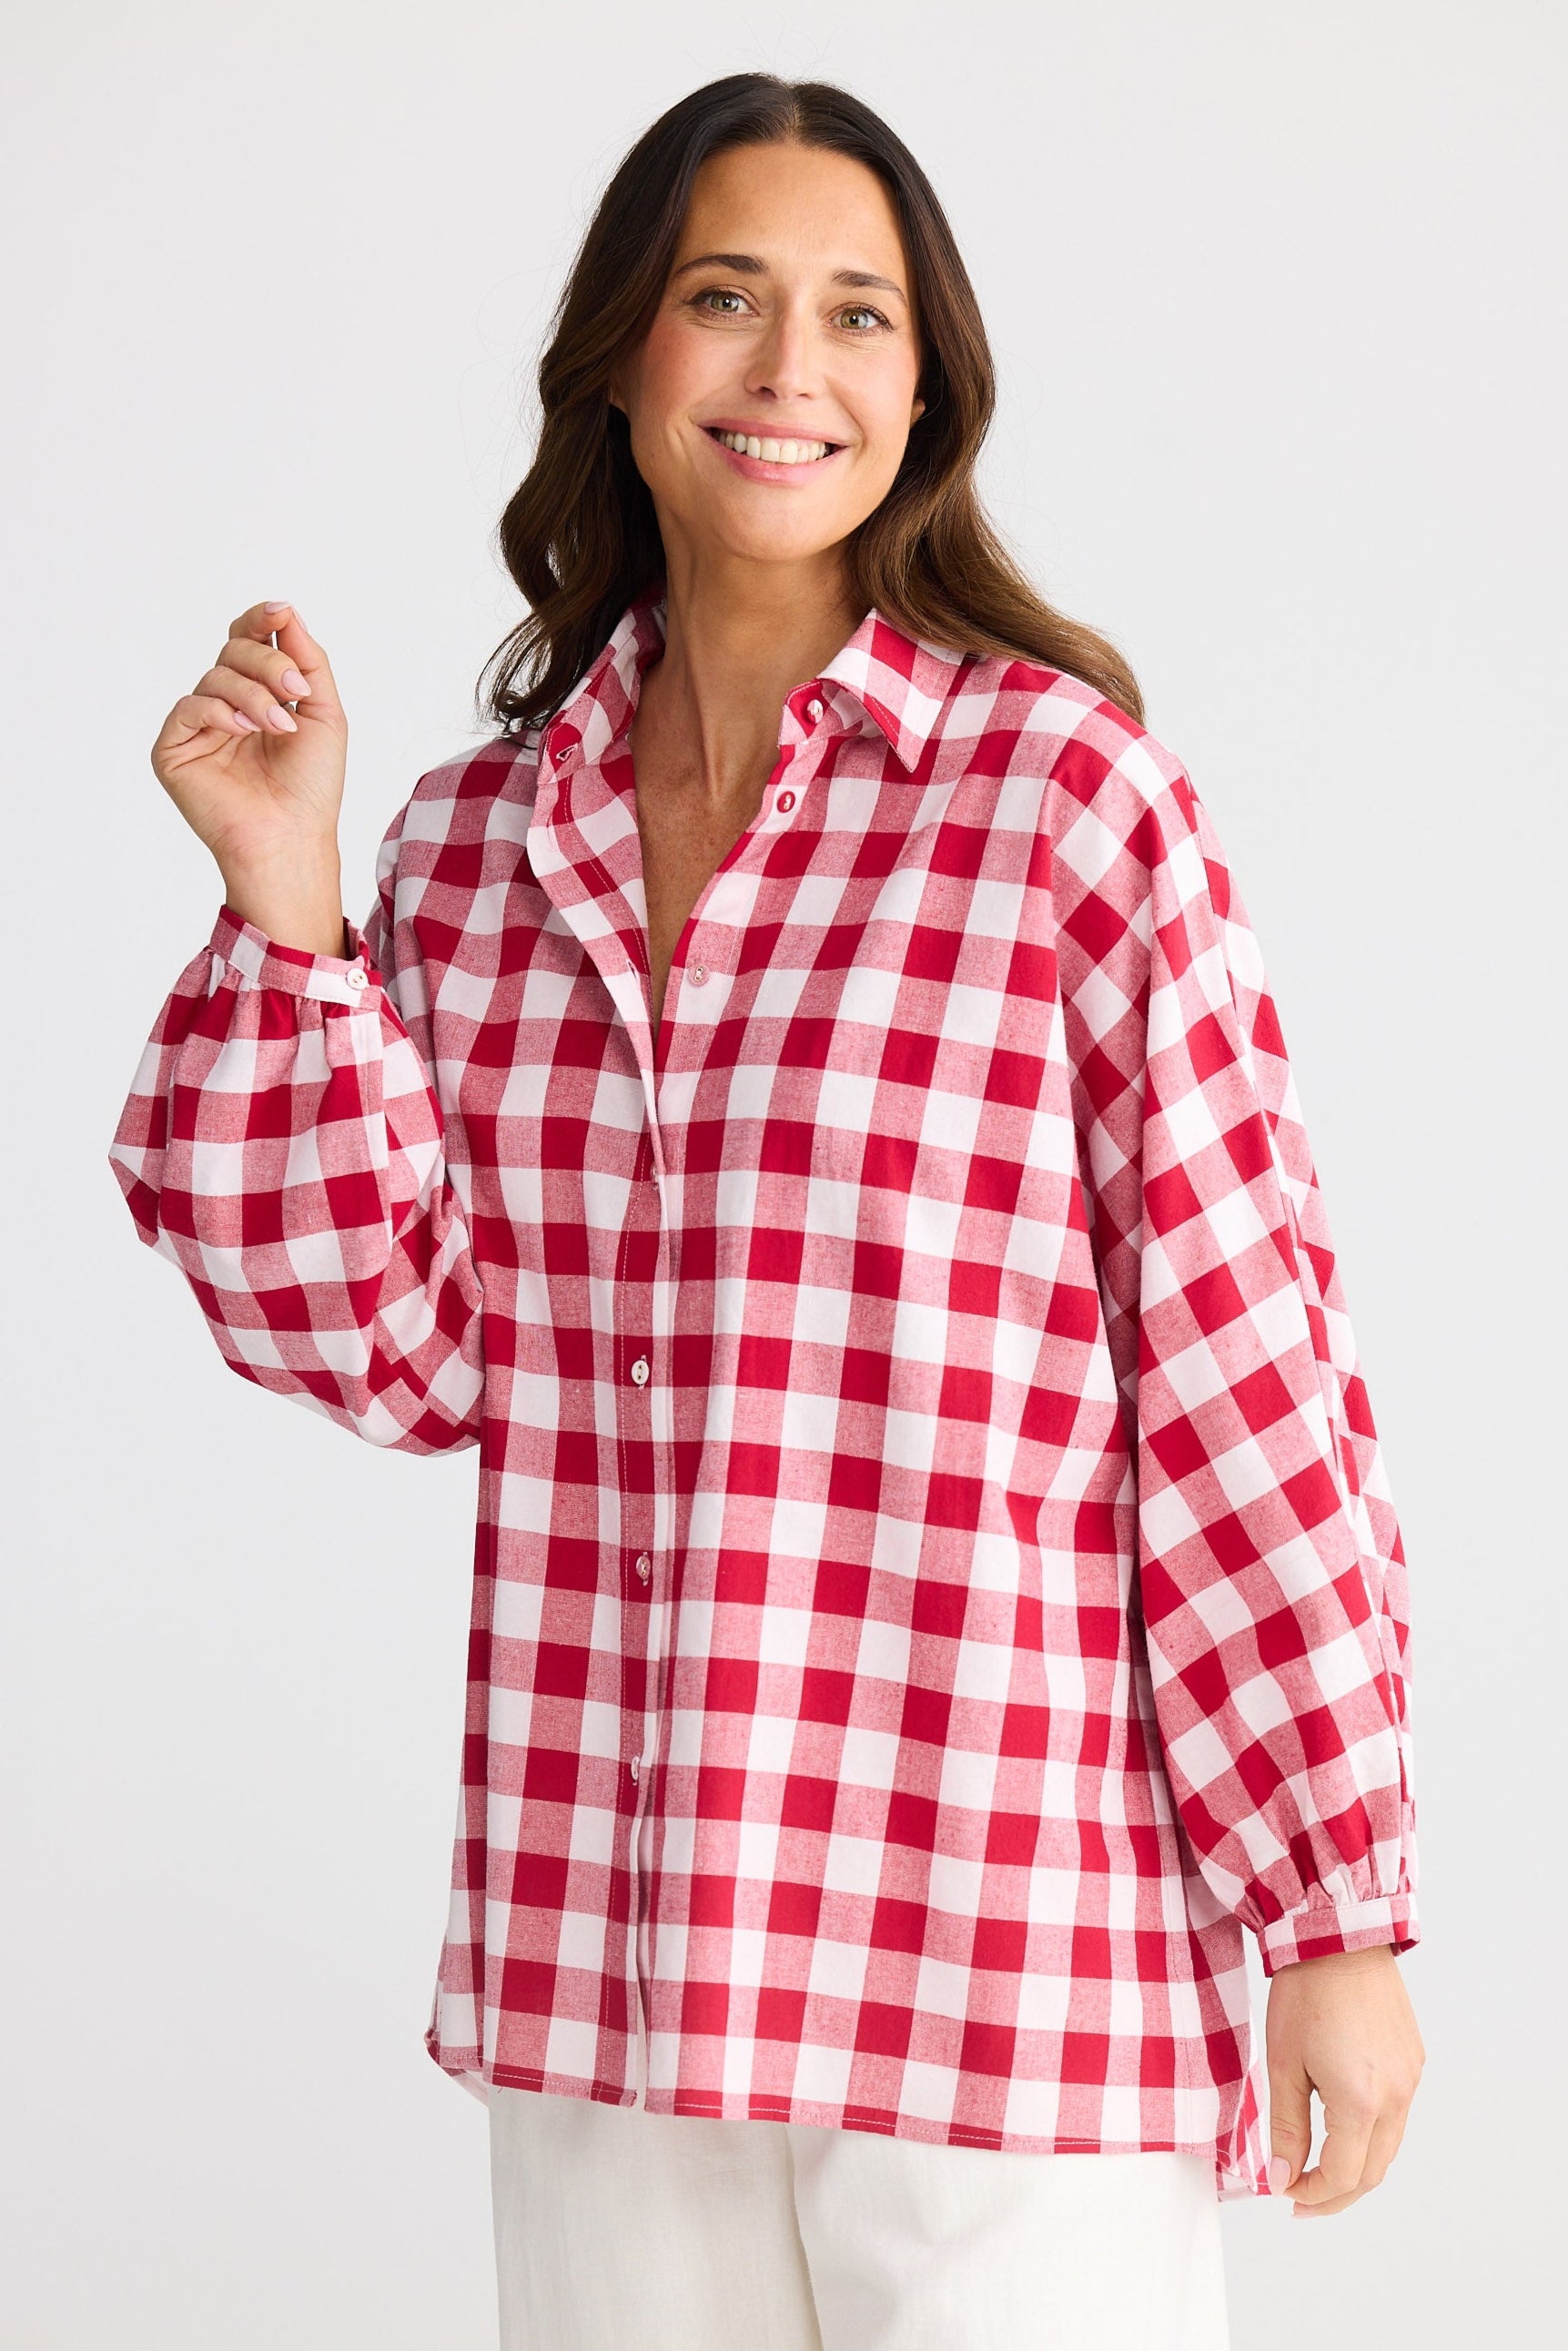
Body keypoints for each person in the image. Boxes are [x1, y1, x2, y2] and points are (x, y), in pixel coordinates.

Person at [107, 70, 1424, 2351]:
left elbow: (1240, 1367)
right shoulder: (471, 848)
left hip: (1004, 1962)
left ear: (924, 393)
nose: (790, 370)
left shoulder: (1058, 802)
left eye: (856, 316)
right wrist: (292, 906)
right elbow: (406, 1353)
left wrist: (1333, 1909)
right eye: (726, 300)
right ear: (624, 356)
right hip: (614, 1988)